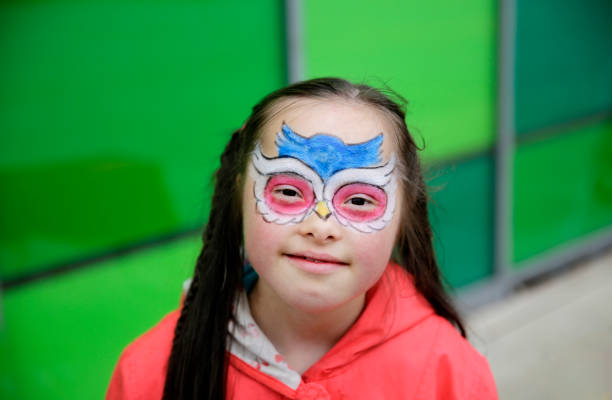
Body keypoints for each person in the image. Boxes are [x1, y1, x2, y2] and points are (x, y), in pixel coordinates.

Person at [106, 78, 497, 400]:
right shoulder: (149, 370)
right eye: (290, 191)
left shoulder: (449, 373)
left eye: (359, 199)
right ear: (240, 196)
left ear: (403, 217)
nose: (320, 226)